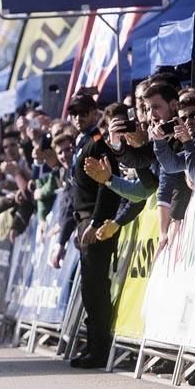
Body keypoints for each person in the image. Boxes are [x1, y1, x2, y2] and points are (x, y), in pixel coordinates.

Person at [66, 94, 121, 369]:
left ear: (93, 112)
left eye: (83, 112)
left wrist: (95, 222)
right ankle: (92, 345)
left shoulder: (98, 143)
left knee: (96, 288)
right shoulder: (82, 142)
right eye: (73, 113)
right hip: (83, 220)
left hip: (94, 222)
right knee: (90, 289)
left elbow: (105, 186)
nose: (78, 118)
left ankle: (99, 349)